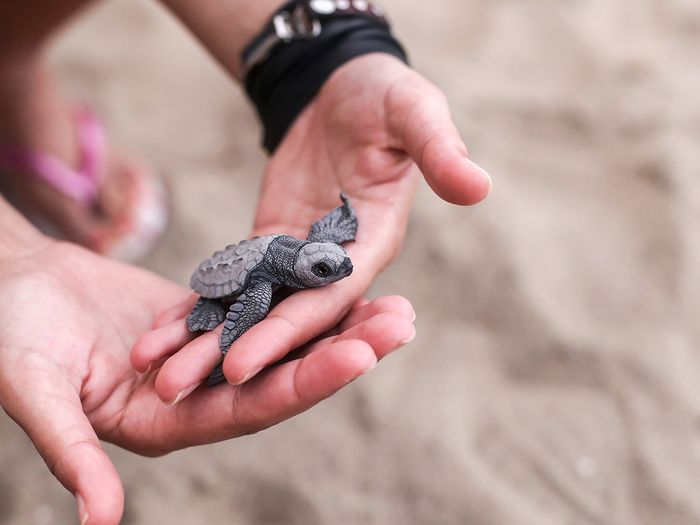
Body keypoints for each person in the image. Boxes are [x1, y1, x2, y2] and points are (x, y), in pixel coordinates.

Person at [0, 1, 491, 524]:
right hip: (221, 280)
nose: (337, 271)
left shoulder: (309, 248)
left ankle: (8, 60)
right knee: (221, 321)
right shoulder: (262, 284)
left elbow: (329, 240)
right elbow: (247, 310)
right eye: (326, 271)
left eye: (330, 264)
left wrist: (323, 54)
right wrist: (12, 256)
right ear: (302, 271)